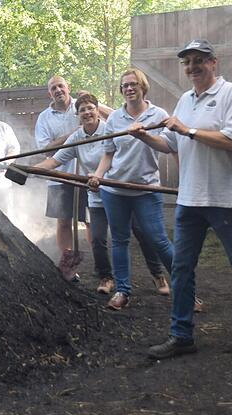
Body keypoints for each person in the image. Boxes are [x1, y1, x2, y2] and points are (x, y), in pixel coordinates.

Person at [132, 39, 232, 361]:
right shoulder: (185, 100)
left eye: (198, 60)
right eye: (187, 62)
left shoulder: (230, 93)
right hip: (190, 200)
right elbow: (170, 145)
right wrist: (145, 137)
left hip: (224, 200)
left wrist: (188, 130)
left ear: (213, 63)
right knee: (181, 268)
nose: (192, 67)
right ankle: (181, 335)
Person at [88, 68, 176, 311]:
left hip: (146, 189)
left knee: (158, 240)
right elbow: (108, 152)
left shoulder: (158, 115)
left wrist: (144, 136)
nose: (129, 88)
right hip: (115, 191)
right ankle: (123, 291)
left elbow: (168, 146)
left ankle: (186, 288)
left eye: (133, 84)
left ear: (143, 87)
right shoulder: (115, 118)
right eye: (125, 85)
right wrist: (98, 176)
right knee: (119, 240)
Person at [34, 93, 114, 293]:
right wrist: (32, 170)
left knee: (125, 234)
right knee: (97, 236)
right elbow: (54, 159)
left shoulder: (109, 130)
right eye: (82, 110)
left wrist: (100, 175)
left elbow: (115, 157)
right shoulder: (76, 137)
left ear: (97, 110)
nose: (87, 113)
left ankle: (155, 276)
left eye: (90, 108)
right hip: (94, 191)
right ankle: (106, 277)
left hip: (113, 189)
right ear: (77, 115)